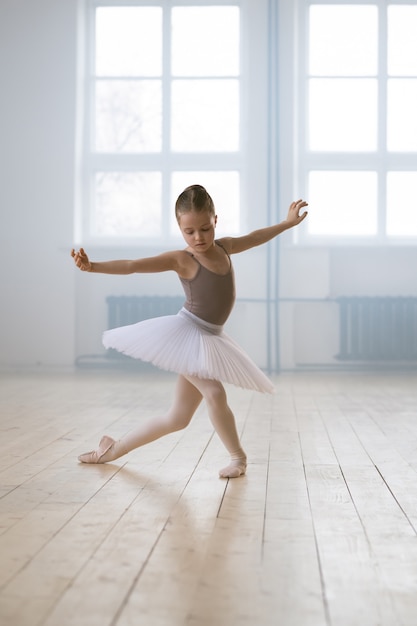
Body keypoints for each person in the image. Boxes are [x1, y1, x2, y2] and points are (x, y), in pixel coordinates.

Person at [71, 185, 308, 478]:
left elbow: (254, 238)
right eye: (190, 231)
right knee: (214, 392)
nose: (198, 238)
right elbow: (133, 265)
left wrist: (286, 223)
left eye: (205, 229)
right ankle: (238, 458)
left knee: (177, 418)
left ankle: (112, 449)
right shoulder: (183, 259)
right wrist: (93, 266)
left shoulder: (224, 247)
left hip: (210, 337)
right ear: (180, 229)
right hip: (187, 334)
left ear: (215, 221)